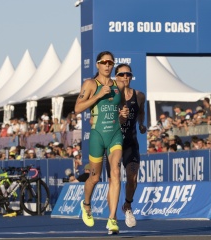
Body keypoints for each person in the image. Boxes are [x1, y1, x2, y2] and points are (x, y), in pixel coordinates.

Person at [74, 51, 128, 234]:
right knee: (95, 177)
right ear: (97, 64)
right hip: (97, 135)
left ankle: (112, 218)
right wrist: (97, 96)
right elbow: (77, 108)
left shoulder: (118, 85)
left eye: (110, 62)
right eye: (104, 62)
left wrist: (123, 115)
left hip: (115, 135)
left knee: (115, 173)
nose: (107, 65)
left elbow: (119, 110)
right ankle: (86, 204)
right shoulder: (90, 84)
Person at [106, 63, 146, 229]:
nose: (125, 78)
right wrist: (119, 118)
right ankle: (112, 217)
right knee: (114, 180)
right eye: (121, 75)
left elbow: (141, 111)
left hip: (130, 142)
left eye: (128, 74)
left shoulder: (139, 96)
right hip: (113, 143)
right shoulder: (109, 96)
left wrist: (141, 124)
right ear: (116, 77)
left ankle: (127, 206)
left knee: (132, 178)